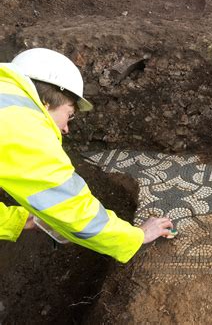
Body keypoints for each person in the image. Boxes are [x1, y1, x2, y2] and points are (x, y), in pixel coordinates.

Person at [0, 48, 173, 263]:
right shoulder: (22, 124)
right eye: (69, 115)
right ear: (47, 102)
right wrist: (135, 236)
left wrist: (20, 220)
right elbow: (71, 207)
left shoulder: (7, 101)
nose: (66, 129)